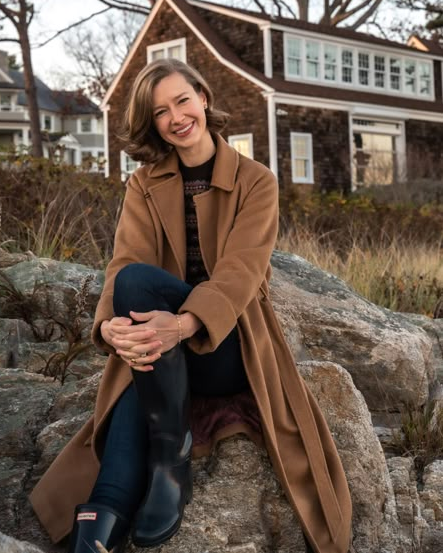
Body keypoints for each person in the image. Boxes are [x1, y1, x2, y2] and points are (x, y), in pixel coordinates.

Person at [29, 59, 352, 553]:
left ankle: (166, 467)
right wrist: (109, 329)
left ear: (203, 97)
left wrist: (182, 324)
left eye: (182, 100)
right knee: (137, 292)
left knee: (147, 361)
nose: (176, 117)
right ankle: (113, 512)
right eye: (161, 111)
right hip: (160, 342)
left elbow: (242, 272)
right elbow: (124, 265)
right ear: (153, 122)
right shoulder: (144, 184)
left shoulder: (256, 180)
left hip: (229, 344)